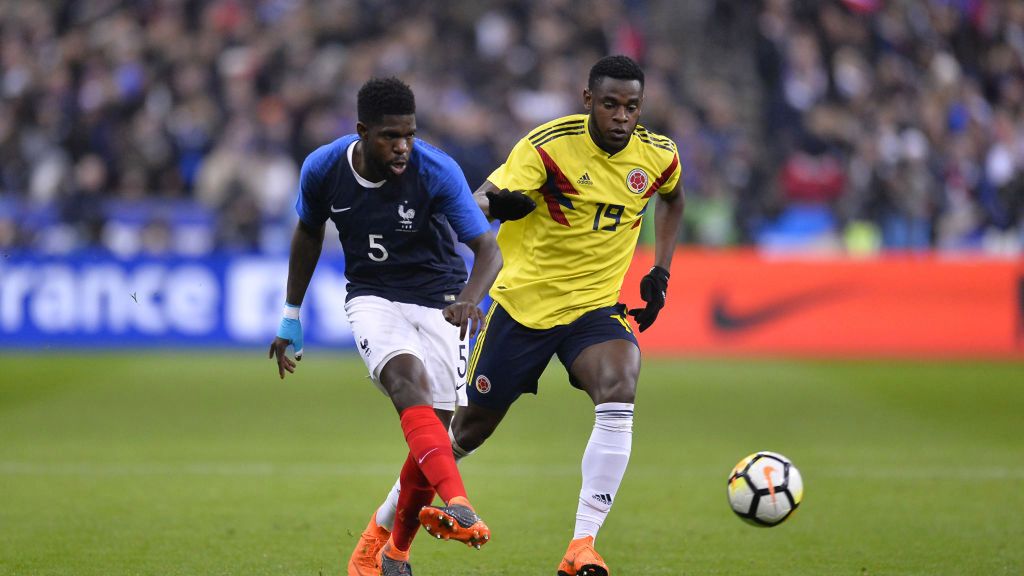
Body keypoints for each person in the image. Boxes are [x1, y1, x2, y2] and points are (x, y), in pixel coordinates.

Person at [356, 55, 685, 576]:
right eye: (610, 105)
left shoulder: (658, 156)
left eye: (632, 107)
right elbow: (478, 200)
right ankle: (383, 533)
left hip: (593, 308)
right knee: (463, 433)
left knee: (621, 382)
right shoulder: (548, 147)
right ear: (587, 101)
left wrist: (660, 270)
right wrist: (497, 206)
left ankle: (582, 545)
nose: (622, 116)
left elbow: (672, 197)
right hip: (521, 308)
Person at [268, 77, 502, 576]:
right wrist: (291, 314)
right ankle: (461, 505)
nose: (402, 147)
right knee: (405, 383)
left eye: (410, 136)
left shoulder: (435, 169)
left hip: (440, 298)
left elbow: (488, 250)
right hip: (372, 295)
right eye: (390, 137)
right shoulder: (324, 168)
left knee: (433, 437)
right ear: (361, 132)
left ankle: (391, 550)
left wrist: (467, 299)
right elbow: (309, 231)